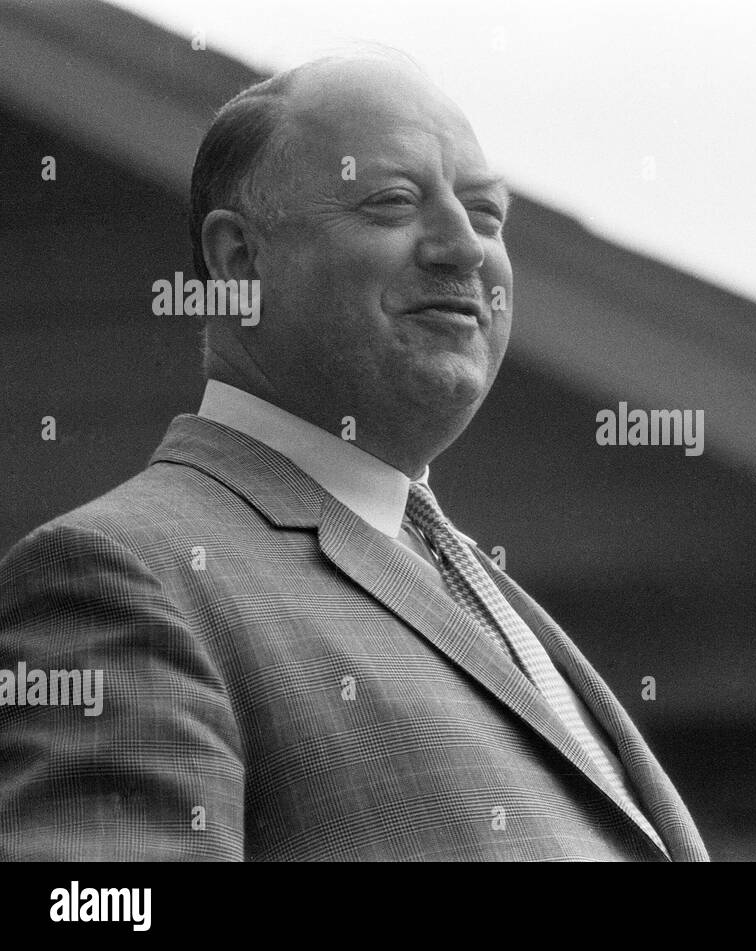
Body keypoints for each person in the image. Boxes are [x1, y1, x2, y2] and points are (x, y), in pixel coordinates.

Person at [0, 52, 709, 862]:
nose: (464, 249)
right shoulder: (124, 580)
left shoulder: (469, 579)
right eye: (394, 202)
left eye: (486, 214)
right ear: (240, 262)